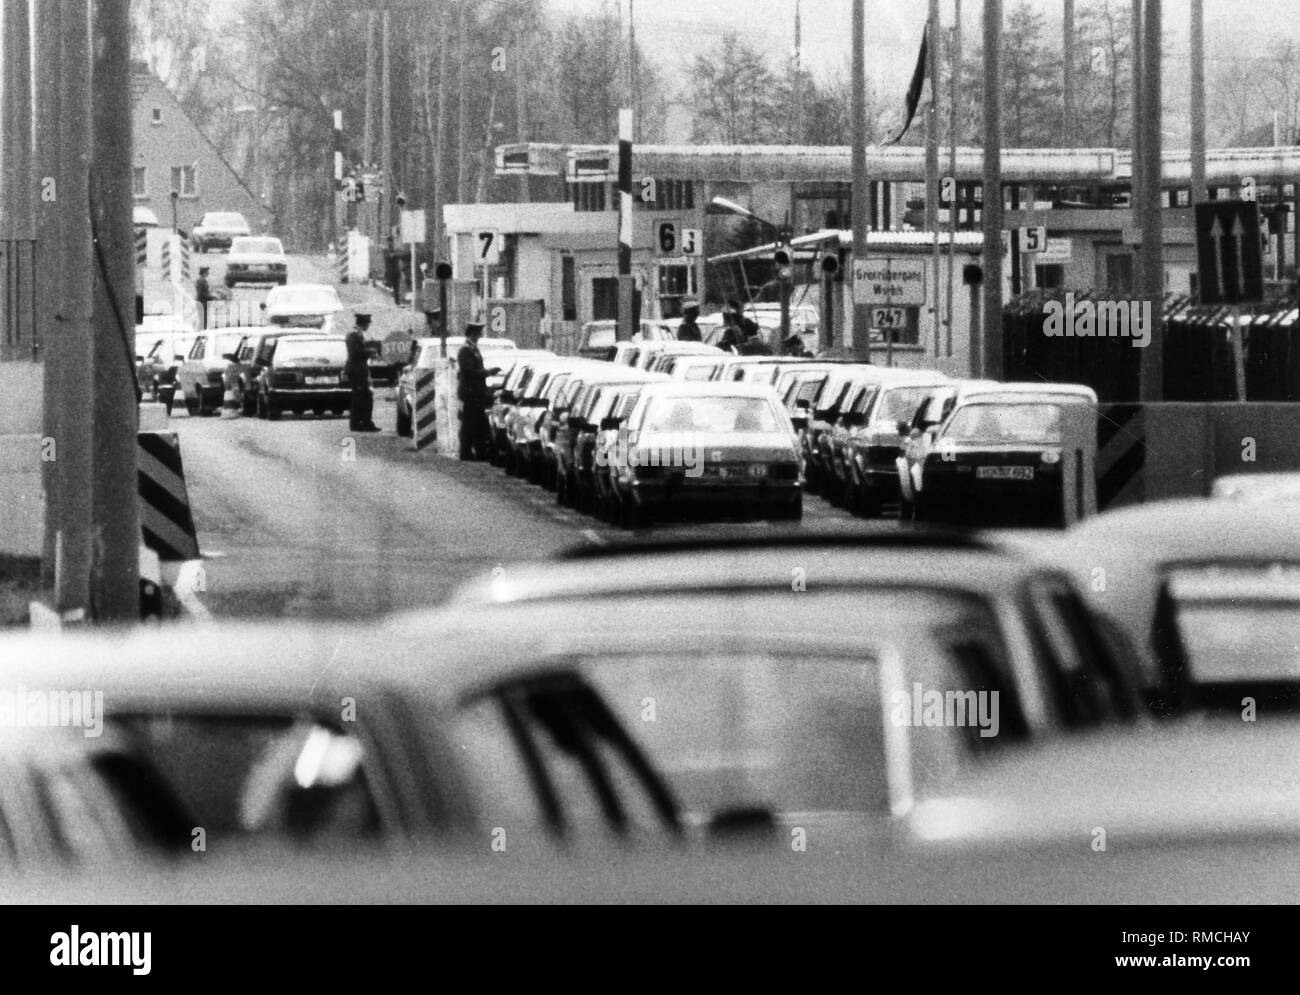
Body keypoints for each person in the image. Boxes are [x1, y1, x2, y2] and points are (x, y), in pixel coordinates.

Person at [457, 321, 500, 460]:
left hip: (477, 393)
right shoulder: (466, 350)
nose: (479, 336)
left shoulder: (473, 349)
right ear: (472, 334)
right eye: (478, 334)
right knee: (470, 424)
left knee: (478, 424)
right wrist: (488, 372)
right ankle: (466, 452)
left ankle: (479, 453)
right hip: (470, 393)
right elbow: (469, 371)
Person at [346, 313, 380, 432]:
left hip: (360, 368)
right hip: (356, 370)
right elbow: (355, 352)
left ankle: (364, 422)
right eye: (367, 323)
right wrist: (370, 351)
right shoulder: (353, 335)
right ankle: (359, 423)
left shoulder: (357, 334)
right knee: (360, 397)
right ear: (363, 323)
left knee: (364, 396)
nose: (368, 326)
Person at [383, 235, 403, 306]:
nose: (390, 243)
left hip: (396, 271)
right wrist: (395, 254)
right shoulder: (385, 250)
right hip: (389, 271)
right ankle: (390, 301)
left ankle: (397, 302)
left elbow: (400, 255)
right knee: (389, 287)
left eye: (391, 242)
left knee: (396, 287)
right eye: (389, 242)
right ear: (387, 242)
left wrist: (396, 253)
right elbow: (389, 257)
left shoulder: (395, 250)